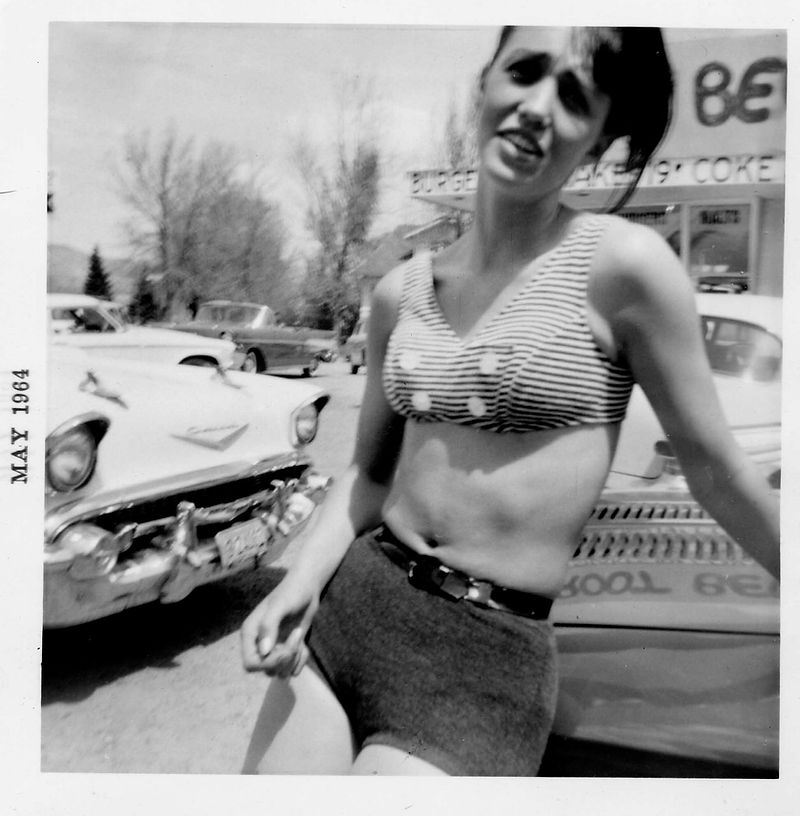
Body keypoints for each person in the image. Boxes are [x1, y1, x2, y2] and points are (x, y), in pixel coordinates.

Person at [240, 26, 780, 776]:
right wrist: (299, 581)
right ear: (484, 84)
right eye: (524, 72)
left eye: (573, 97)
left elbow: (719, 472)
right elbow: (367, 477)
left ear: (597, 139)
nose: (536, 108)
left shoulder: (624, 268)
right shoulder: (400, 291)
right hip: (350, 614)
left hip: (483, 664)